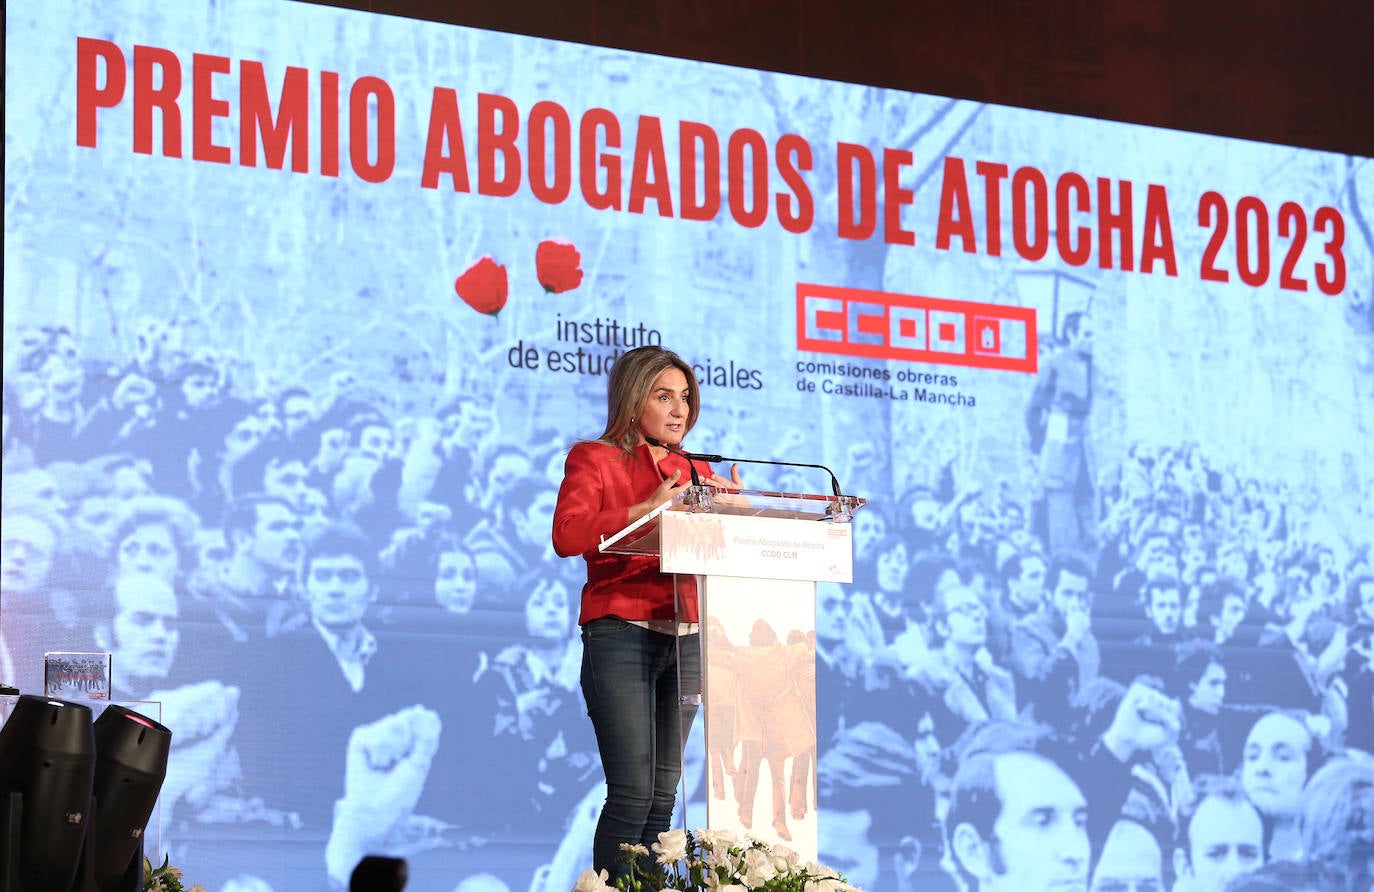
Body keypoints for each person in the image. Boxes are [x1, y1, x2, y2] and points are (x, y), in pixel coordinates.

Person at [551, 345, 741, 882]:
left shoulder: (699, 470)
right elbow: (568, 535)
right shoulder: (596, 458)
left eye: (685, 398)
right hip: (621, 632)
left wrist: (743, 514)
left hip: (685, 636)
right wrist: (647, 506)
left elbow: (727, 544)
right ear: (634, 400)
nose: (680, 410)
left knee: (663, 799)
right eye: (664, 397)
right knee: (633, 792)